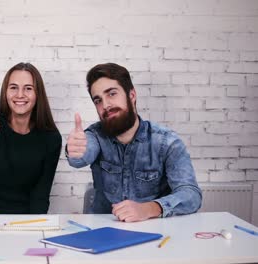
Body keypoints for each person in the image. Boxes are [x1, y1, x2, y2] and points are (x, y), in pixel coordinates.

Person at [66, 63, 202, 222]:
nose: (106, 105)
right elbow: (80, 156)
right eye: (98, 100)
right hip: (102, 231)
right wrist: (74, 150)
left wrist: (149, 208)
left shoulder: (167, 142)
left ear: (131, 95)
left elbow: (191, 195)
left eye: (111, 94)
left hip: (153, 232)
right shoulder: (95, 135)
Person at [0, 62, 62, 214]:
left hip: (24, 223)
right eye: (13, 87)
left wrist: (33, 230)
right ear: (5, 92)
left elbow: (41, 195)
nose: (20, 94)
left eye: (28, 88)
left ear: (37, 94)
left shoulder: (51, 138)